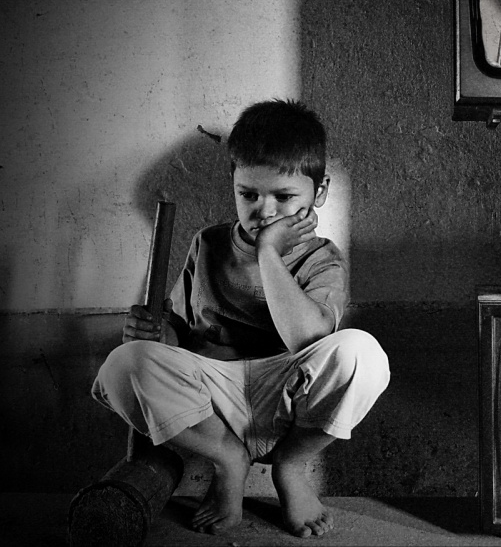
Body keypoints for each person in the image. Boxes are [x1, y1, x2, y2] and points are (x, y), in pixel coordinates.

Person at [91, 99, 390, 537]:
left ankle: (291, 466)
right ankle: (228, 459)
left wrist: (269, 252)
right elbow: (180, 332)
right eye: (248, 194)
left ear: (320, 192)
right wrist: (155, 334)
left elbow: (307, 339)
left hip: (283, 397)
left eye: (284, 197)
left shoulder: (322, 259)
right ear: (233, 185)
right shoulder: (208, 244)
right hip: (211, 402)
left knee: (363, 353)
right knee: (125, 362)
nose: (264, 211)